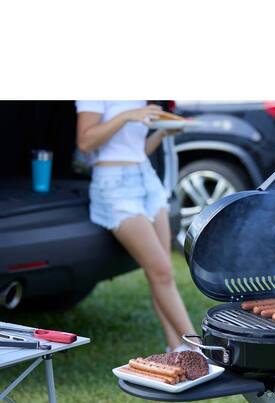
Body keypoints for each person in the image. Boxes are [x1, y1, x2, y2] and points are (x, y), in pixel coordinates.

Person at [76, 101, 197, 352]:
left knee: (161, 274)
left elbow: (135, 151)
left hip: (146, 178)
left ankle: (177, 348)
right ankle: (198, 349)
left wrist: (162, 132)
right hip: (115, 185)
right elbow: (85, 142)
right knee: (161, 270)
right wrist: (127, 116)